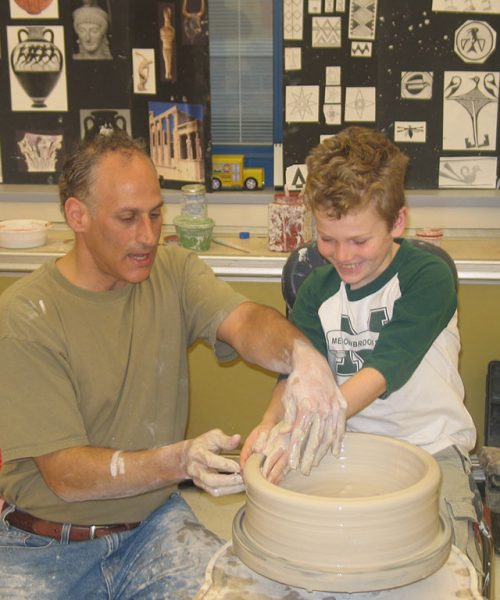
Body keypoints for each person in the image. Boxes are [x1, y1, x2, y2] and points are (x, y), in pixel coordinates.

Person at [0, 132, 345, 599]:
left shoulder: (174, 271)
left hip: (152, 530)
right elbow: (67, 476)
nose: (148, 235)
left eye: (155, 213)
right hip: (44, 544)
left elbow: (245, 323)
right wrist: (177, 460)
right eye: (127, 218)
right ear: (77, 215)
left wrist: (304, 358)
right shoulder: (26, 315)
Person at [241, 126, 482, 574]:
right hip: (342, 444)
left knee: (447, 571)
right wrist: (271, 423)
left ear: (397, 222)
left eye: (359, 241)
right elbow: (294, 372)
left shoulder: (427, 278)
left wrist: (309, 421)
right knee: (289, 559)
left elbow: (386, 367)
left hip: (432, 447)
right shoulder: (316, 289)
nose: (342, 255)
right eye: (327, 239)